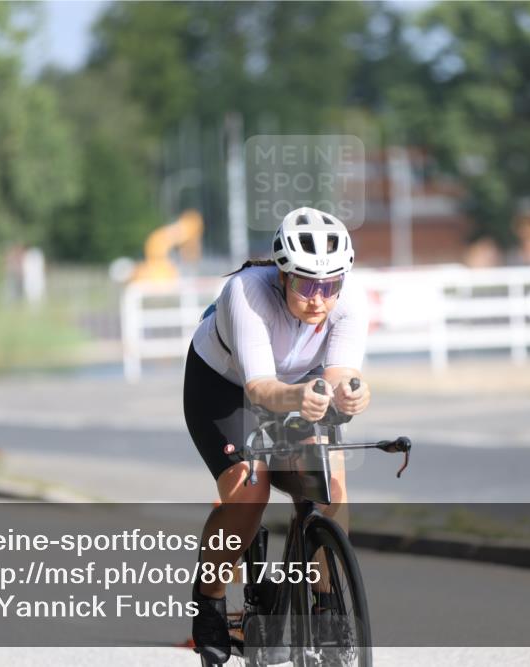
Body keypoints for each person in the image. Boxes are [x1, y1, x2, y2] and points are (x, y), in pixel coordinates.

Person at [183, 207, 370, 663]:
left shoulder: (347, 301)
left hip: (299, 386)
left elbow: (343, 372)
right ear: (282, 276)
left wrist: (353, 393)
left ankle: (326, 608)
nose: (319, 299)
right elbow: (260, 388)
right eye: (306, 284)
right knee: (251, 490)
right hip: (224, 385)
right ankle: (209, 600)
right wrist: (299, 397)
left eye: (330, 287)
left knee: (329, 486)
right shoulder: (246, 293)